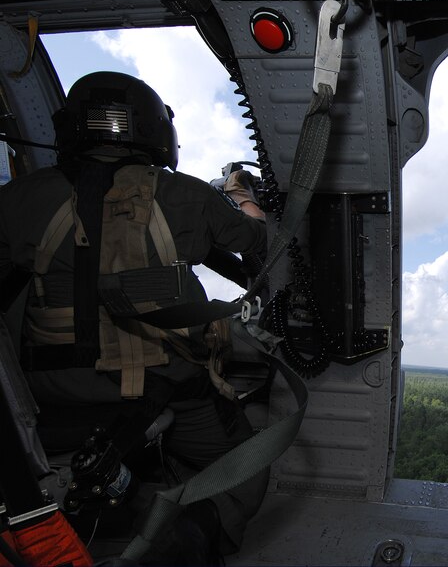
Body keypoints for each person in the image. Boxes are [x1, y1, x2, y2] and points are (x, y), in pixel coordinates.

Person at [0, 71, 268, 563]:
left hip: (44, 393)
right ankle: (197, 531)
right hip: (158, 385)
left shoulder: (17, 199)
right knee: (244, 465)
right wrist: (240, 197)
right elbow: (257, 243)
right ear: (152, 130)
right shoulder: (184, 196)